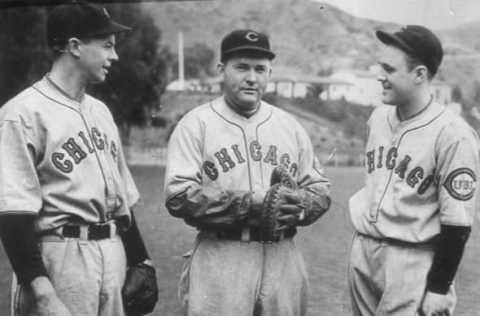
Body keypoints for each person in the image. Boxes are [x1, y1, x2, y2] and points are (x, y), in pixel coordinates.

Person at [0, 2, 158, 316]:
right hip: (60, 257)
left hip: (112, 251)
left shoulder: (100, 112)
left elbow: (121, 201)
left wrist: (142, 261)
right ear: (74, 46)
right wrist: (43, 294)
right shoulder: (22, 113)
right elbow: (12, 214)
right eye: (107, 46)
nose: (114, 56)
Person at [164, 29, 331, 316]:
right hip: (222, 254)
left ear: (269, 73)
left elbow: (319, 189)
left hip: (283, 255)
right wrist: (251, 202)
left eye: (260, 69)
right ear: (221, 70)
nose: (252, 77)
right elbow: (179, 197)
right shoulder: (196, 124)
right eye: (242, 67)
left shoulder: (289, 125)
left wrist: (302, 207)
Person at [348, 25, 480, 316]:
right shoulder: (378, 118)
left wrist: (439, 288)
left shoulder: (454, 134)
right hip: (364, 250)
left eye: (390, 69)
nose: (380, 76)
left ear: (420, 74)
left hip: (412, 261)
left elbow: (457, 224)